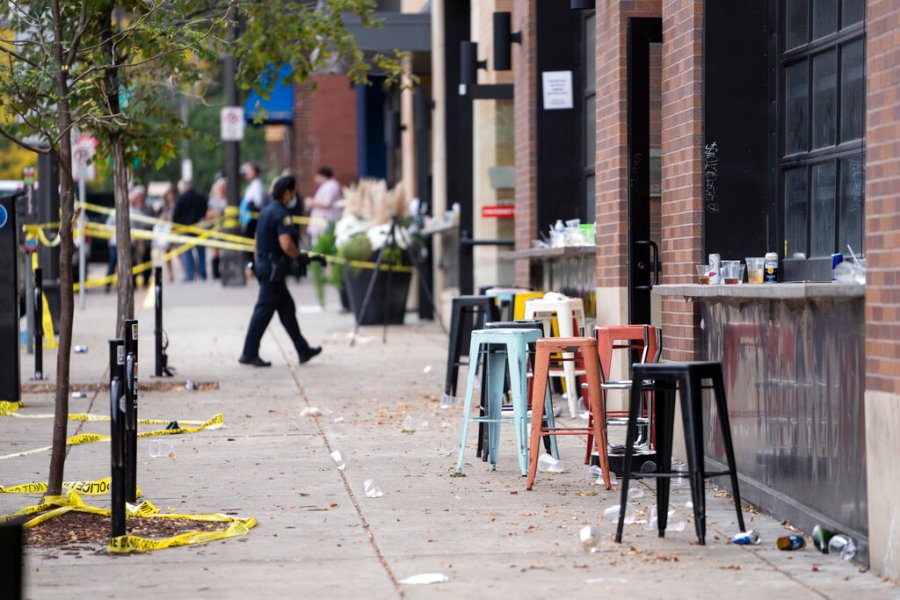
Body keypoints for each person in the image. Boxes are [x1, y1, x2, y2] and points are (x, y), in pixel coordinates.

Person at [239, 175, 322, 367]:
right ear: (287, 192)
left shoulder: (266, 211)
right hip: (273, 270)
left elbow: (257, 240)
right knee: (263, 311)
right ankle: (249, 353)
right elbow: (286, 244)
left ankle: (303, 350)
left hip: (265, 266)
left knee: (287, 309)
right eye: (293, 192)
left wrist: (257, 263)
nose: (294, 196)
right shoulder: (281, 214)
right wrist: (299, 256)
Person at [172, 179, 208, 281]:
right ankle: (202, 273)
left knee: (187, 252)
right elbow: (205, 209)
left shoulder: (181, 198)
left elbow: (176, 214)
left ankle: (190, 274)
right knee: (201, 252)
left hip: (185, 228)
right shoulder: (200, 197)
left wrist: (176, 227)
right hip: (199, 227)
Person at [304, 166, 342, 243]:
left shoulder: (331, 186)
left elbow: (326, 203)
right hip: (321, 222)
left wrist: (311, 201)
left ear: (322, 176)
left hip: (325, 222)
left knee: (321, 245)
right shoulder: (326, 186)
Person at [206, 176, 227, 279]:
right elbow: (208, 214)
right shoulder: (213, 200)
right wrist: (215, 213)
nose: (222, 189)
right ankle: (215, 272)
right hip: (216, 227)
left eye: (224, 187)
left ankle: (226, 269)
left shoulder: (229, 199)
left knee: (227, 249)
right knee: (215, 250)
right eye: (220, 187)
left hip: (227, 227)